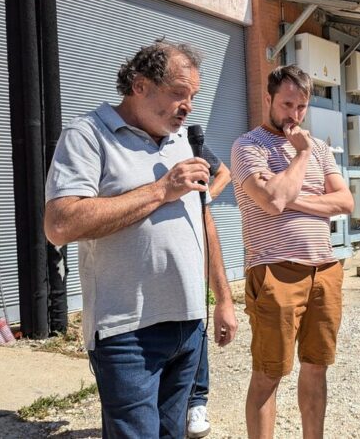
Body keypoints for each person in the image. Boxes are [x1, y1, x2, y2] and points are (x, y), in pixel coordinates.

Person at [43, 40, 238, 438]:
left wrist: (224, 301)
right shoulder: (88, 136)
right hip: (126, 331)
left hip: (187, 324)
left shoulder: (182, 140)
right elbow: (59, 224)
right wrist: (161, 190)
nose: (188, 106)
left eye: (193, 96)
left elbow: (202, 220)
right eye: (178, 93)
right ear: (140, 86)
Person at [230, 65, 354, 439]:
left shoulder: (320, 147)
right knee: (269, 372)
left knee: (316, 367)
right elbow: (269, 201)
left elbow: (345, 202)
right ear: (267, 99)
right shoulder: (249, 146)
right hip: (274, 270)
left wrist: (291, 200)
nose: (295, 115)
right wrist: (299, 157)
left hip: (324, 269)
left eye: (302, 107)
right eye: (287, 104)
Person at [187, 148, 231, 438]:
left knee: (195, 320)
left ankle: (196, 404)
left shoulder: (191, 141)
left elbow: (224, 173)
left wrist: (206, 198)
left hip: (193, 236)